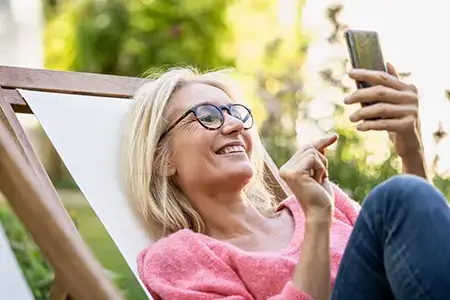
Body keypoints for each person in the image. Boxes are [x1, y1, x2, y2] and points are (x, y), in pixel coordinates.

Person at [122, 62, 450, 300]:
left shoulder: (320, 202)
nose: (235, 125)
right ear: (162, 159)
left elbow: (414, 267)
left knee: (400, 197)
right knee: (395, 195)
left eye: (237, 113)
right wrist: (319, 219)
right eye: (208, 116)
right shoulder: (179, 258)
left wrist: (411, 151)